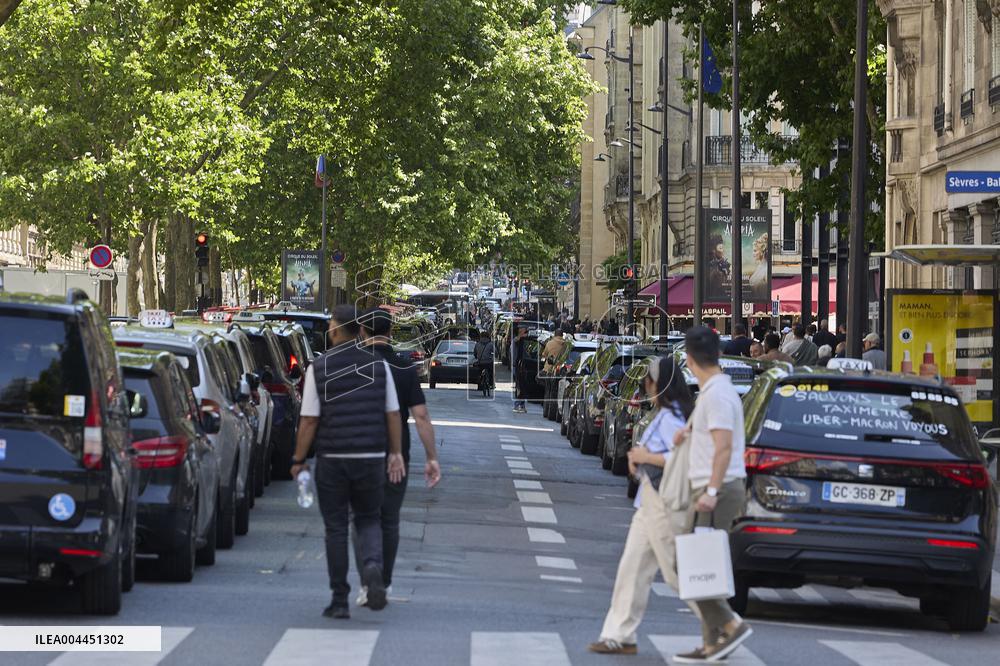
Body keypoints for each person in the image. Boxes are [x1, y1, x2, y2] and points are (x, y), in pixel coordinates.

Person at [289, 305, 406, 619]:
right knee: (368, 519)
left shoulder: (320, 367)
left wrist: (299, 459)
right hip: (370, 458)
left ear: (337, 330)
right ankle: (372, 567)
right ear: (361, 331)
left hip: (333, 458)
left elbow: (310, 421)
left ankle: (339, 598)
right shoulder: (378, 366)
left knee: (336, 528)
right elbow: (392, 413)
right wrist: (394, 453)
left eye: (330, 325)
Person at [588, 356, 694, 655]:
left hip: (664, 502)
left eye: (647, 380)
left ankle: (723, 621)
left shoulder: (673, 416)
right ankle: (619, 635)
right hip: (649, 499)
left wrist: (644, 458)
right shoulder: (664, 413)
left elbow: (682, 459)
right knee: (631, 568)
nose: (644, 386)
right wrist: (638, 461)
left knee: (676, 572)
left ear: (658, 384)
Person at [670, 326, 752, 663]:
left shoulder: (717, 393)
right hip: (714, 485)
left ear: (689, 359)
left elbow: (723, 447)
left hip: (716, 487)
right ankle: (710, 641)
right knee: (705, 568)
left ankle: (730, 625)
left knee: (688, 563)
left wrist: (712, 491)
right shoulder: (716, 390)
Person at [354, 309, 442, 607]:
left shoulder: (353, 366)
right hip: (396, 454)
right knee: (389, 519)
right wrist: (432, 457)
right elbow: (421, 416)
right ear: (390, 331)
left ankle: (368, 580)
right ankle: (385, 581)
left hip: (359, 453)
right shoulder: (405, 367)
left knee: (363, 518)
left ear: (362, 331)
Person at [510, 325, 529, 413]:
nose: (524, 330)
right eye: (522, 329)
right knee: (519, 386)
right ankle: (517, 405)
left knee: (523, 386)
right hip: (516, 366)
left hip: (521, 366)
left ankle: (522, 405)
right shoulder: (515, 340)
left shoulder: (521, 341)